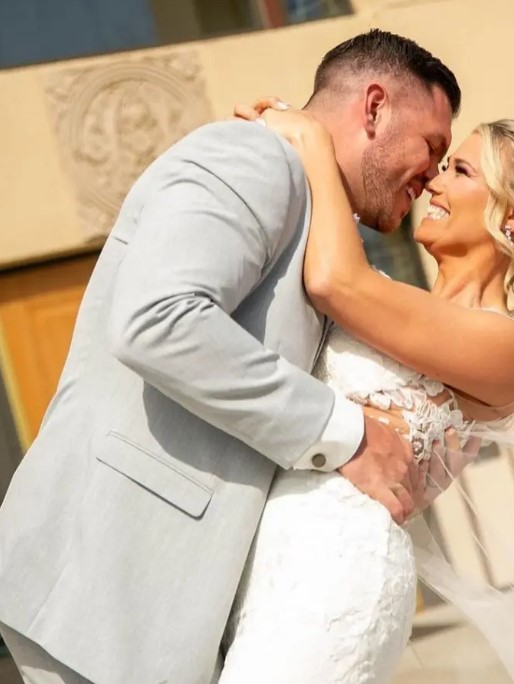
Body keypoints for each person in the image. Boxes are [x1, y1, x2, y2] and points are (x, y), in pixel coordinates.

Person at [0, 30, 463, 684]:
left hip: (181, 602)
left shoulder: (313, 210)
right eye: (432, 147)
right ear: (374, 107)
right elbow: (157, 320)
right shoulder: (252, 157)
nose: (432, 173)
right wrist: (348, 435)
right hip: (108, 582)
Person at [218, 102, 514, 684]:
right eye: (442, 167)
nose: (434, 182)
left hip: (341, 574)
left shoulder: (512, 350)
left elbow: (333, 280)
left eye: (460, 172)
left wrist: (312, 137)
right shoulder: (386, 295)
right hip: (264, 557)